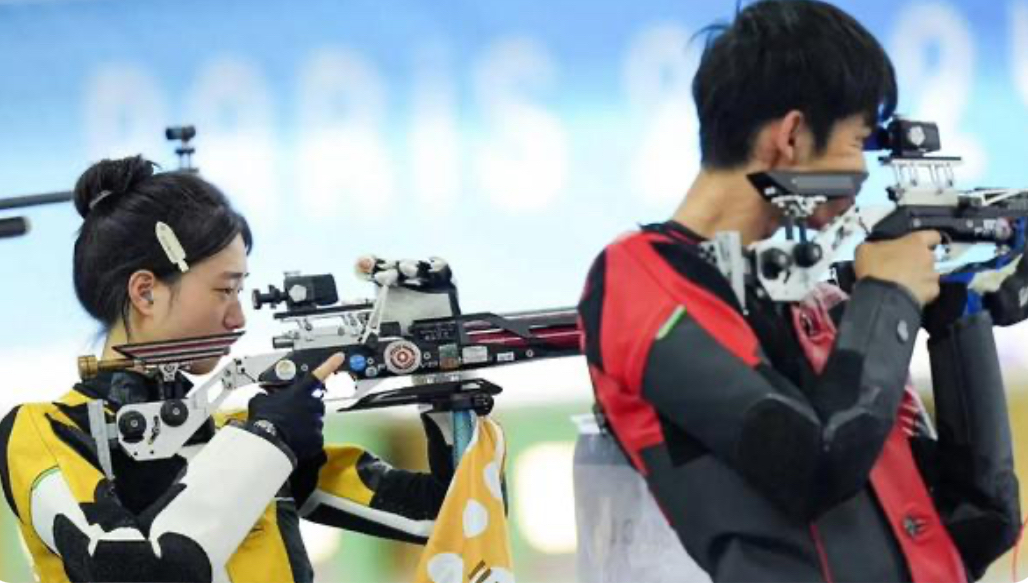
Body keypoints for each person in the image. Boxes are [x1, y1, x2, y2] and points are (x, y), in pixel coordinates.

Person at [578, 0, 1023, 581]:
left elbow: (978, 522)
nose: (862, 174)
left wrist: (961, 313)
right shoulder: (636, 277)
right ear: (790, 136)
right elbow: (811, 464)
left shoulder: (815, 303)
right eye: (857, 143)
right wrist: (889, 296)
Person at [0, 156, 456, 582]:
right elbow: (138, 570)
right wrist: (268, 439)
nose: (238, 319)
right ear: (145, 293)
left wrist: (439, 363)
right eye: (224, 291)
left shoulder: (235, 435)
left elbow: (449, 513)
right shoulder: (44, 432)